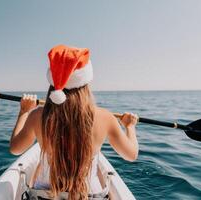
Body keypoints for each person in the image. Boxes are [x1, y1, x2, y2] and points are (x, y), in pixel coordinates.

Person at [9, 45, 139, 199]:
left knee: (40, 165)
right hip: (89, 195)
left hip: (45, 195)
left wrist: (24, 111)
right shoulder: (105, 117)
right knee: (96, 168)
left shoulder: (37, 116)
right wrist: (130, 127)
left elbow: (15, 149)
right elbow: (131, 155)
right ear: (85, 83)